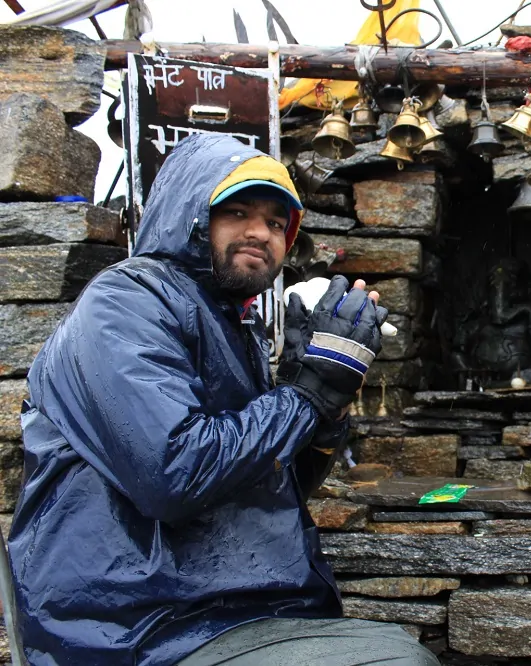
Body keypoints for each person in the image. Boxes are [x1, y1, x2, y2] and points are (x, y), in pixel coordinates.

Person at [8, 134, 439, 666]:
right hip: (135, 625)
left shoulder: (238, 325)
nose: (260, 232)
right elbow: (174, 473)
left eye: (278, 223)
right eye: (236, 212)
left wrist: (328, 402)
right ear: (187, 214)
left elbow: (275, 486)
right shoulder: (126, 302)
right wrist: (309, 394)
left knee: (400, 650)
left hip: (222, 613)